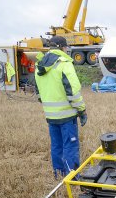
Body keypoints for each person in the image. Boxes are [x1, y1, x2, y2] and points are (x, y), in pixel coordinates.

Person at [35, 36, 87, 179]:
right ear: (61, 47)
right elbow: (73, 92)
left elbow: (39, 93)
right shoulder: (64, 63)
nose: (66, 50)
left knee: (56, 146)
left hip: (51, 116)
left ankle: (59, 174)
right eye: (66, 47)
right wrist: (81, 110)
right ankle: (73, 176)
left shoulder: (40, 65)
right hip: (67, 116)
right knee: (70, 146)